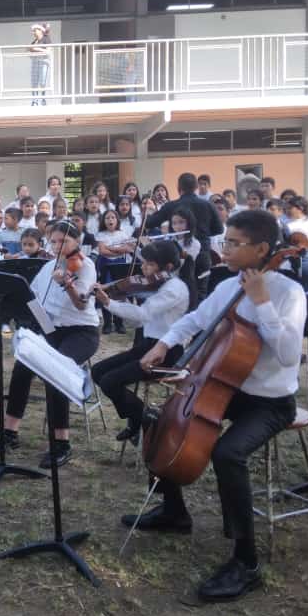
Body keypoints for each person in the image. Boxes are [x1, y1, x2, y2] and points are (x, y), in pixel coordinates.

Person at [127, 210, 306, 603]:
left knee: (228, 454)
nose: (222, 249)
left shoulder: (289, 293)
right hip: (224, 388)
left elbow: (290, 355)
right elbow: (194, 319)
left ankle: (247, 562)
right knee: (158, 419)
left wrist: (262, 304)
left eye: (232, 243)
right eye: (223, 241)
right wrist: (162, 343)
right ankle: (174, 512)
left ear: (261, 249)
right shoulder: (227, 286)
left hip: (270, 401)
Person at [0, 221, 101, 469]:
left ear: (76, 242)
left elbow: (81, 304)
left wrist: (67, 283)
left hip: (82, 332)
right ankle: (10, 433)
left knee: (54, 372)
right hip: (51, 329)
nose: (58, 247)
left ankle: (61, 443)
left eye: (64, 242)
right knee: (22, 367)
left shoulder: (86, 267)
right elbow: (34, 299)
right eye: (54, 242)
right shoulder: (48, 266)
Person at [91, 240, 191, 444]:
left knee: (111, 381)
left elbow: (142, 314)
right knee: (98, 371)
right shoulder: (158, 284)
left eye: (150, 264)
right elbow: (135, 314)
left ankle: (145, 419)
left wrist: (108, 302)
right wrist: (113, 291)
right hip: (148, 345)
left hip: (168, 353)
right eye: (143, 263)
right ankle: (140, 418)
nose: (143, 268)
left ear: (168, 267)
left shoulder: (174, 289)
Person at [145, 173, 224, 301]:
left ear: (178, 187)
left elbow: (149, 223)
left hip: (179, 257)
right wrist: (202, 233)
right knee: (200, 294)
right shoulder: (207, 205)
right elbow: (219, 229)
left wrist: (149, 211)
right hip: (203, 255)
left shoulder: (171, 205)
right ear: (196, 187)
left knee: (181, 295)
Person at [95, 209, 136, 334]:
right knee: (106, 292)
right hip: (106, 265)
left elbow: (128, 249)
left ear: (117, 220)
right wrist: (118, 249)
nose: (110, 220)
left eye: (113, 217)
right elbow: (103, 251)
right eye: (107, 218)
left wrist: (111, 248)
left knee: (120, 293)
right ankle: (108, 323)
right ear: (104, 221)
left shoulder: (123, 234)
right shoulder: (101, 234)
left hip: (120, 265)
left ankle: (119, 323)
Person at [29, 23, 52, 106]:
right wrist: (34, 48)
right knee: (34, 82)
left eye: (35, 31)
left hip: (43, 62)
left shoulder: (46, 39)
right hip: (35, 62)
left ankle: (43, 100)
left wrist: (37, 49)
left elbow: (49, 51)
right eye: (33, 31)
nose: (34, 33)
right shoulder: (34, 42)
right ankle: (34, 101)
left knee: (42, 82)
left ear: (40, 31)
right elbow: (29, 50)